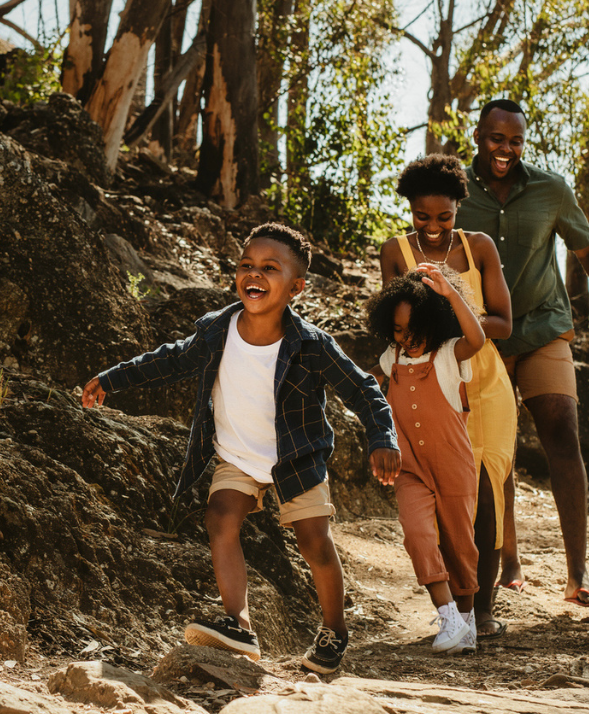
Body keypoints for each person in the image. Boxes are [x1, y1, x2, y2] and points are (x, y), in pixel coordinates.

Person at [81, 223, 401, 673]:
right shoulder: (217, 331)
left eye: (271, 268)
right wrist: (112, 379)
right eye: (247, 265)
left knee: (314, 543)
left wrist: (382, 437)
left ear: (297, 287)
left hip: (297, 458)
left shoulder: (312, 346)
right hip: (237, 456)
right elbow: (170, 359)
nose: (255, 274)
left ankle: (334, 630)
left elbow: (364, 389)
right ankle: (240, 625)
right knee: (220, 518)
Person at [455, 99, 589, 608]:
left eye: (515, 141)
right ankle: (508, 562)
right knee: (497, 451)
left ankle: (578, 573)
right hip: (484, 334)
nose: (505, 149)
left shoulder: (551, 189)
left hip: (543, 327)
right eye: (496, 138)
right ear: (477, 135)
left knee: (562, 428)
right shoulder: (456, 190)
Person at [379, 155, 517, 638]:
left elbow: (501, 321)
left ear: (460, 208)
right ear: (410, 209)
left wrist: (454, 311)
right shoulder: (395, 251)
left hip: (482, 379)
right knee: (439, 501)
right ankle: (454, 610)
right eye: (423, 216)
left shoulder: (479, 247)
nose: (433, 227)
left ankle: (483, 610)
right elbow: (393, 324)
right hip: (432, 382)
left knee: (486, 492)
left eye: (445, 217)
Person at [366, 266, 486, 654]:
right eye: (399, 330)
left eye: (415, 328)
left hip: (454, 467)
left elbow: (478, 337)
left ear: (436, 320)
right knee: (417, 533)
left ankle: (466, 622)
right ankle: (447, 614)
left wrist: (451, 294)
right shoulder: (392, 358)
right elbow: (366, 383)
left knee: (459, 544)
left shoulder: (450, 354)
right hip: (410, 469)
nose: (407, 338)